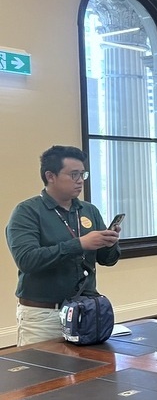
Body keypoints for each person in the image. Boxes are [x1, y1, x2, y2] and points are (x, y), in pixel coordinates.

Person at [6, 145, 121, 346]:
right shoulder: (27, 212)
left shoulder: (88, 210)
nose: (80, 181)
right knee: (43, 374)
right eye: (73, 174)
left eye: (82, 174)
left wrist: (109, 243)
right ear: (51, 176)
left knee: (90, 373)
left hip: (85, 311)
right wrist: (79, 244)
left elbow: (107, 260)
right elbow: (27, 260)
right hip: (44, 315)